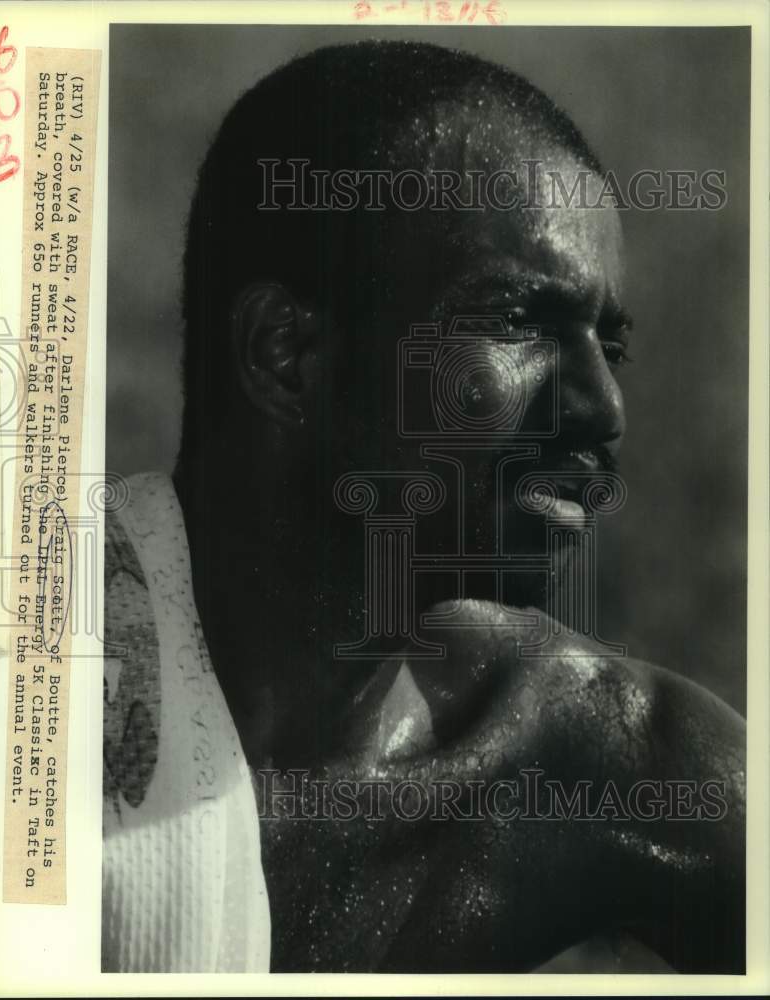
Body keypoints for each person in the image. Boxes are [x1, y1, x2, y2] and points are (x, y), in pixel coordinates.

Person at [103, 40, 745, 973]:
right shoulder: (32, 716)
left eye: (611, 345)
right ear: (289, 357)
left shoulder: (601, 764)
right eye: (519, 321)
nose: (605, 408)